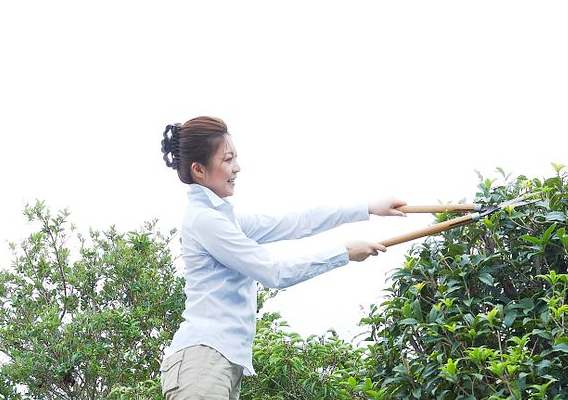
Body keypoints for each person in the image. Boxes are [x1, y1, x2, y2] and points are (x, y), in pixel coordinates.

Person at [158, 116, 406, 399]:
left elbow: (296, 222)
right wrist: (344, 253)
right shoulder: (205, 221)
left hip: (216, 362)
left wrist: (368, 209)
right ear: (199, 170)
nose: (237, 167)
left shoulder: (222, 219)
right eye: (228, 159)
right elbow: (275, 272)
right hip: (202, 362)